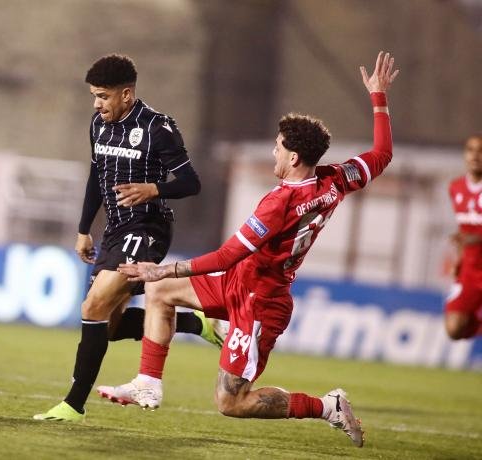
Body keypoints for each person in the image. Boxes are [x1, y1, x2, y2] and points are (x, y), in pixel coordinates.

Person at [98, 51, 400, 448]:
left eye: (278, 147)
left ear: (293, 157)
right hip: (240, 283)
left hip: (261, 303)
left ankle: (328, 407)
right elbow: (382, 155)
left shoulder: (279, 204)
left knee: (231, 402)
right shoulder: (334, 179)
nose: (274, 152)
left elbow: (226, 256)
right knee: (160, 293)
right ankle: (147, 383)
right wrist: (378, 97)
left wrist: (163, 268)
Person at [34, 54, 222, 422]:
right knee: (109, 326)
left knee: (92, 307)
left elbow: (191, 182)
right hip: (115, 230)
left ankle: (73, 404)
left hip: (148, 228)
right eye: (94, 96)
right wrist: (84, 229)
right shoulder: (98, 125)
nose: (96, 104)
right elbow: (96, 178)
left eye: (103, 96)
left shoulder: (157, 128)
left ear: (126, 94)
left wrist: (153, 189)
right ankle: (196, 324)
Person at [444, 134, 482, 340]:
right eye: (471, 150)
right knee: (454, 328)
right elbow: (464, 229)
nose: (475, 155)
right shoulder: (456, 188)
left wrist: (476, 238)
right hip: (469, 269)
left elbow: (473, 235)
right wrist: (459, 258)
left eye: (481, 151)